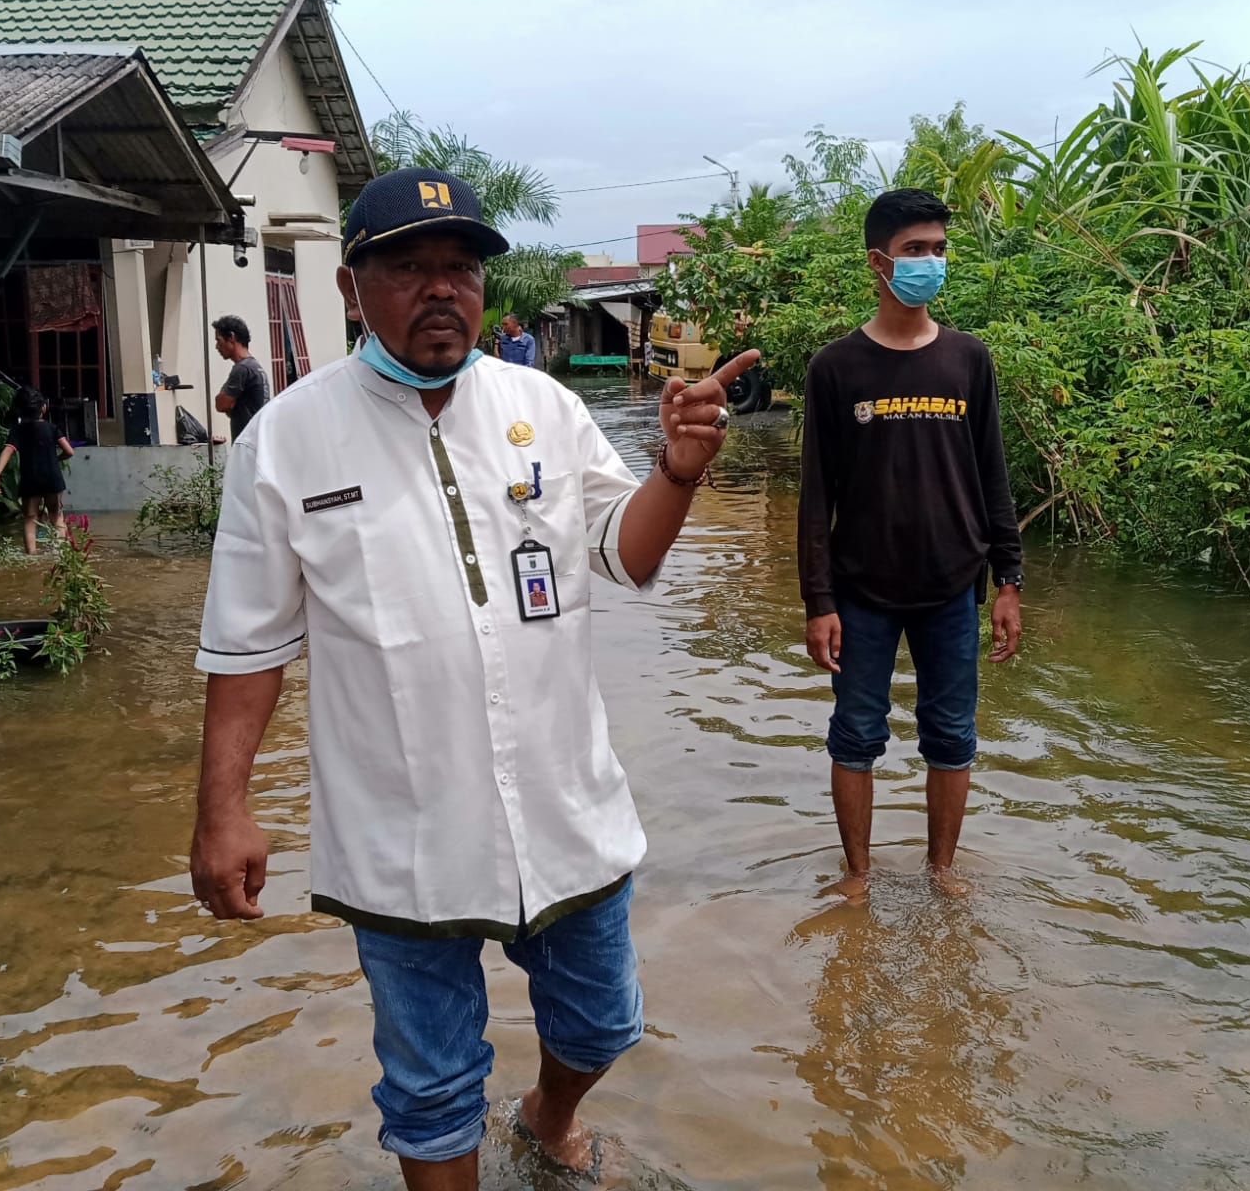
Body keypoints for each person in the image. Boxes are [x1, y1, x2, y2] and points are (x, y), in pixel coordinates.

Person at [189, 166, 757, 1189]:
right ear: (353, 286)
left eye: (460, 269)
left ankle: (547, 1113)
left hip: (562, 804)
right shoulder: (287, 440)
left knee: (603, 1021)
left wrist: (675, 472)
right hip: (398, 832)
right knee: (429, 1089)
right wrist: (221, 811)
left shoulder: (540, 406)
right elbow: (246, 646)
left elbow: (622, 558)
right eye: (410, 268)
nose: (441, 288)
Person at [797, 187, 1023, 898]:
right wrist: (818, 600)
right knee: (855, 735)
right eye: (915, 250)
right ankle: (858, 878)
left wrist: (1008, 580)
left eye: (939, 250)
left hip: (953, 586)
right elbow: (815, 496)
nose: (930, 262)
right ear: (878, 262)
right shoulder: (836, 368)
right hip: (860, 591)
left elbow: (993, 473)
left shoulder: (968, 360)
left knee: (952, 735)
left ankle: (941, 871)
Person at [0, 390, 74, 555]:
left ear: (19, 410)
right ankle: (59, 554)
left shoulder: (18, 430)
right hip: (52, 478)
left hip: (31, 479)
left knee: (30, 518)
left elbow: (9, 450)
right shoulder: (51, 428)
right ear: (43, 408)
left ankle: (31, 555)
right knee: (57, 517)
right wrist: (56, 459)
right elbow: (69, 451)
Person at [211, 314, 269, 439]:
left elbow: (222, 404)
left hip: (247, 443)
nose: (217, 347)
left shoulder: (242, 369)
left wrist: (226, 400)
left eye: (218, 340)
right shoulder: (255, 367)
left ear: (231, 337)